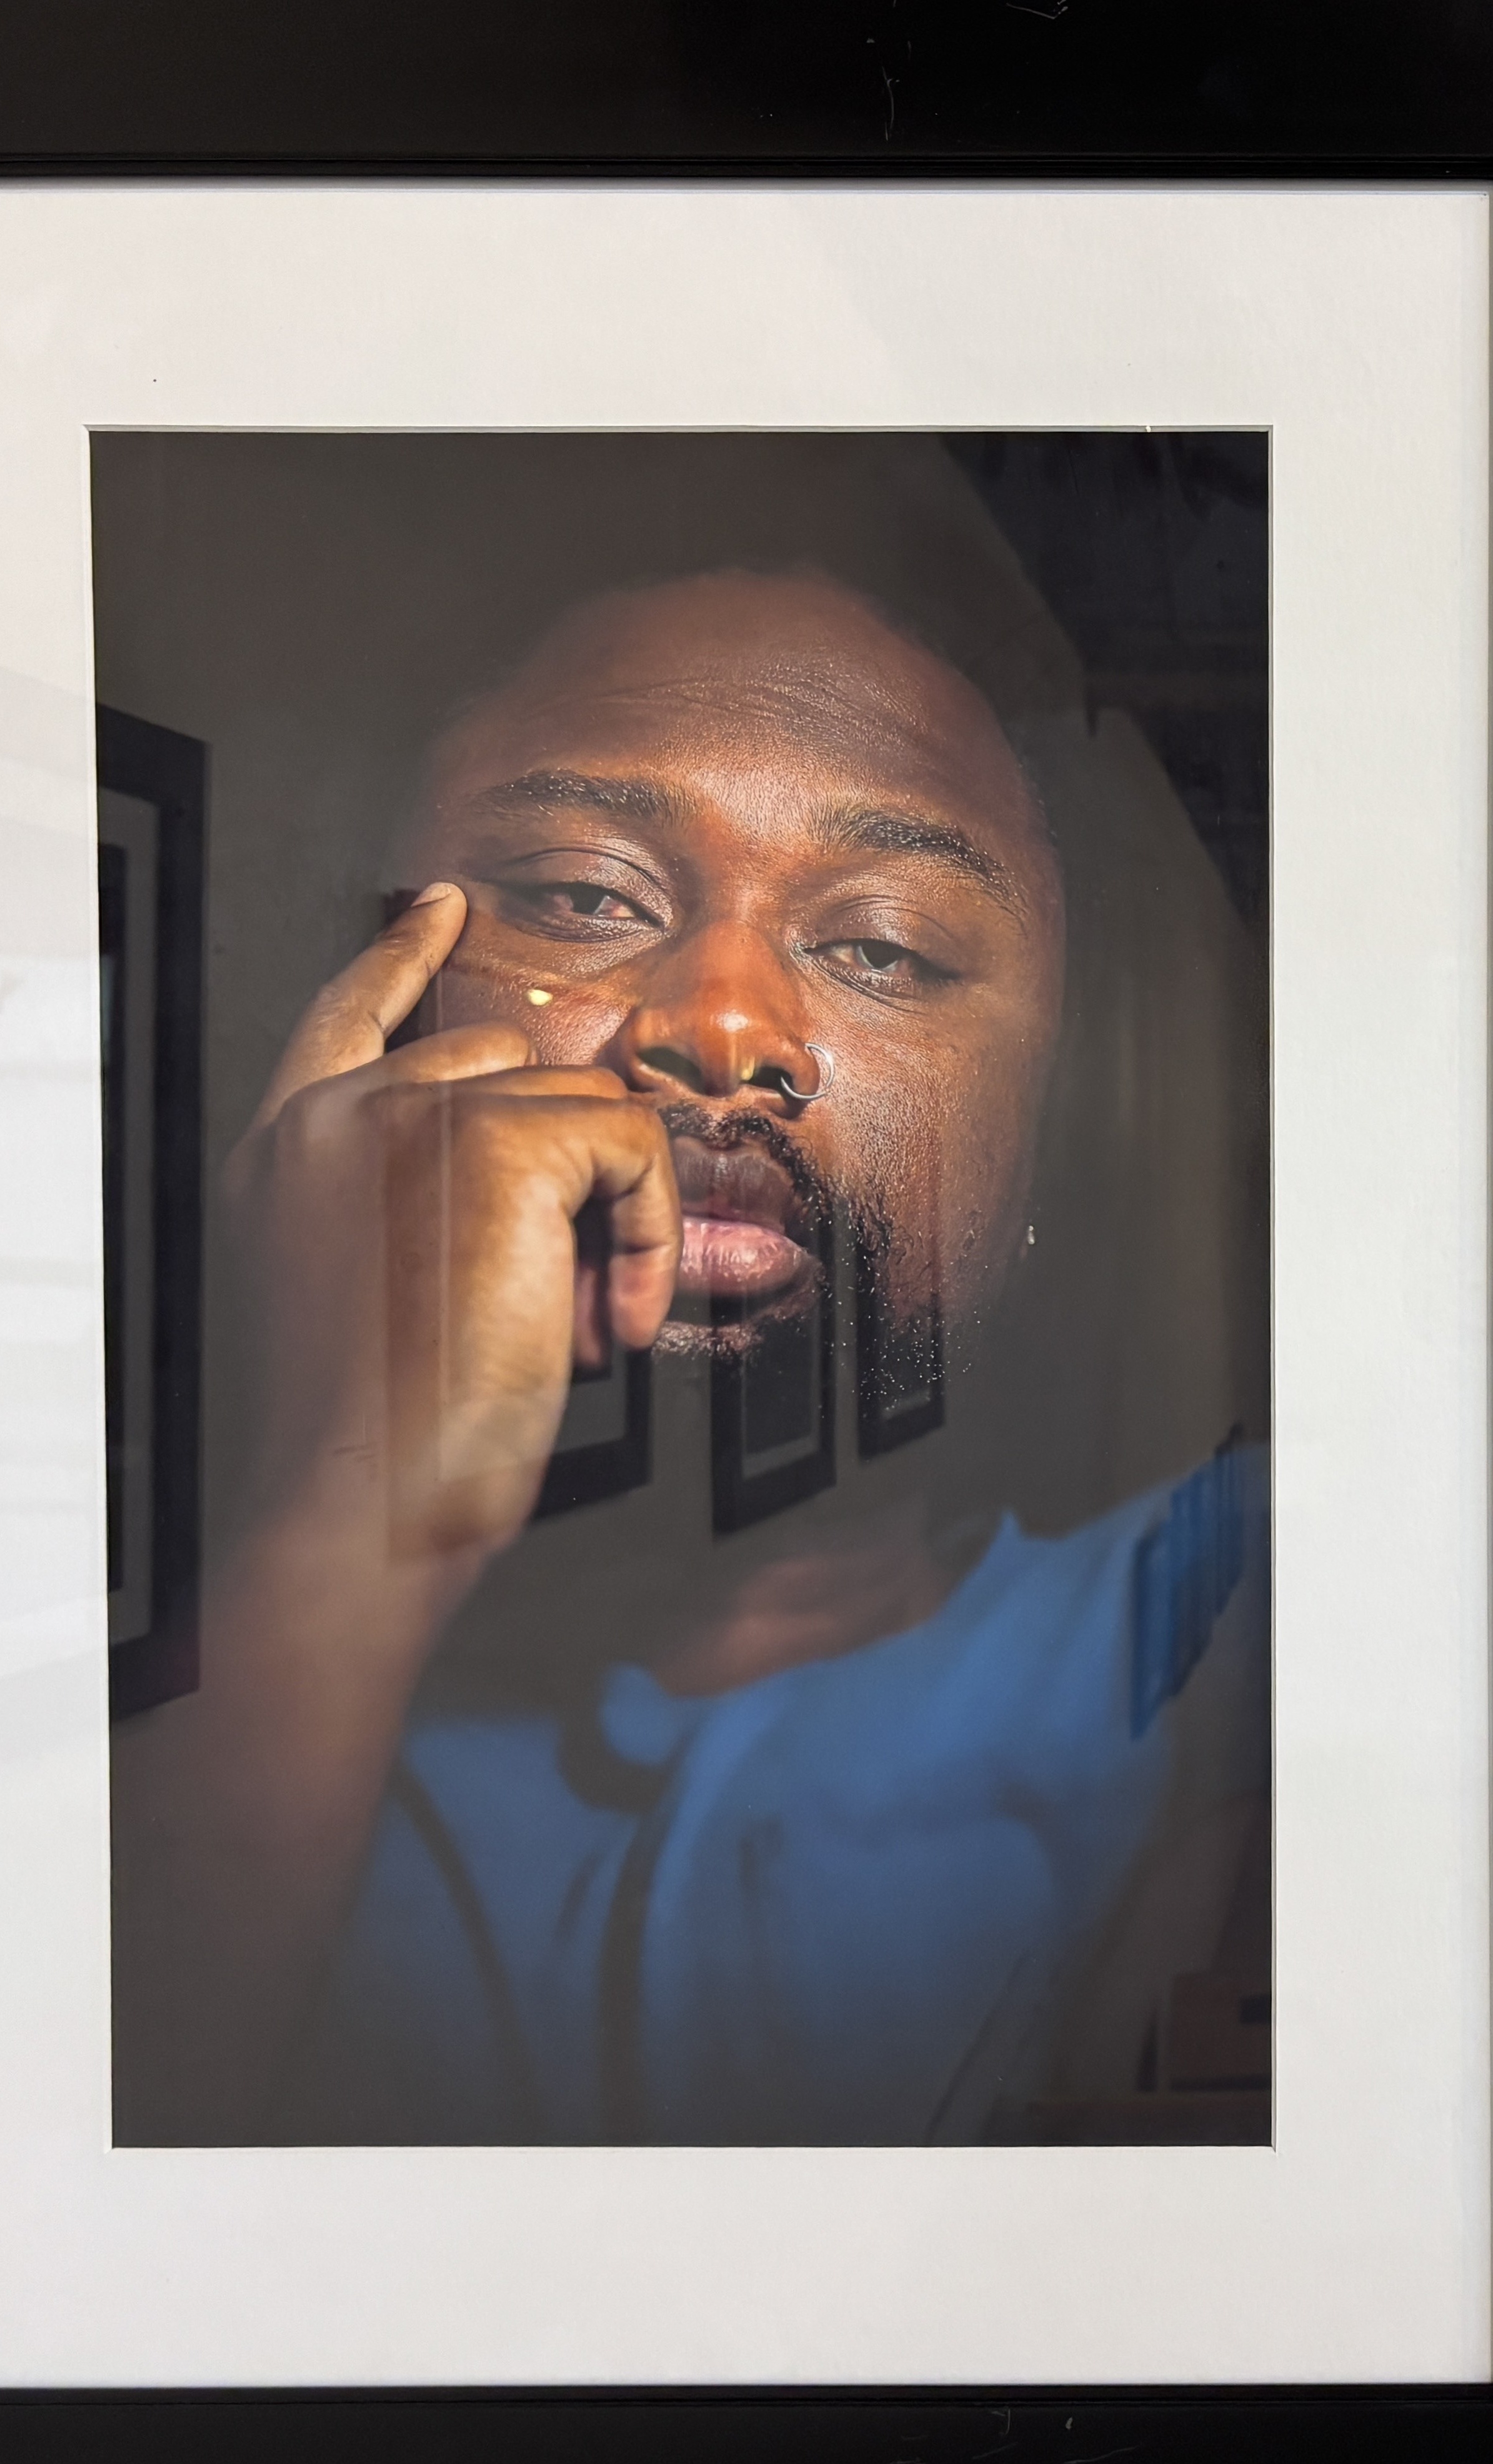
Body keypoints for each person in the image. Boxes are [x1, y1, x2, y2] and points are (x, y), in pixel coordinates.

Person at [112, 566, 1269, 2146]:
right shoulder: (102, 1734)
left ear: (1037, 1158)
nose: (722, 1025)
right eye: (584, 896)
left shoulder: (1242, 1625)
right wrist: (352, 1519)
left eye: (887, 947)